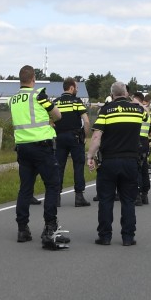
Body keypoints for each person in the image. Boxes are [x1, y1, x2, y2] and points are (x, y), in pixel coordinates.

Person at [86, 81, 146, 245]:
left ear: (112, 95)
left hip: (109, 162)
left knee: (106, 199)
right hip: (130, 160)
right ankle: (128, 237)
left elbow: (97, 137)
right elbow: (146, 111)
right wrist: (135, 101)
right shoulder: (137, 110)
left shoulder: (106, 110)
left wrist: (90, 156)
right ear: (126, 93)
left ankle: (105, 236)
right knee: (128, 200)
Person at [9, 65, 61, 245]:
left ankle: (22, 229)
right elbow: (58, 115)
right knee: (53, 185)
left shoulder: (13, 99)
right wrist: (49, 122)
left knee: (25, 189)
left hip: (22, 147)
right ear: (33, 79)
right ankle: (50, 228)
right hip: (42, 147)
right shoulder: (39, 95)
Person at [53, 78, 93, 207]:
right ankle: (79, 197)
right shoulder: (76, 102)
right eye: (76, 87)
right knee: (78, 166)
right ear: (71, 88)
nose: (77, 90)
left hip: (59, 137)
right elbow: (86, 121)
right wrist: (84, 136)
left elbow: (51, 121)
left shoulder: (56, 102)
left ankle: (56, 197)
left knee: (59, 166)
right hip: (75, 137)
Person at [133, 90, 151, 204]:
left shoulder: (139, 111)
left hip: (137, 140)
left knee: (137, 168)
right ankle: (145, 193)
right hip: (144, 140)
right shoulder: (147, 112)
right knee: (144, 166)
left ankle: (138, 194)